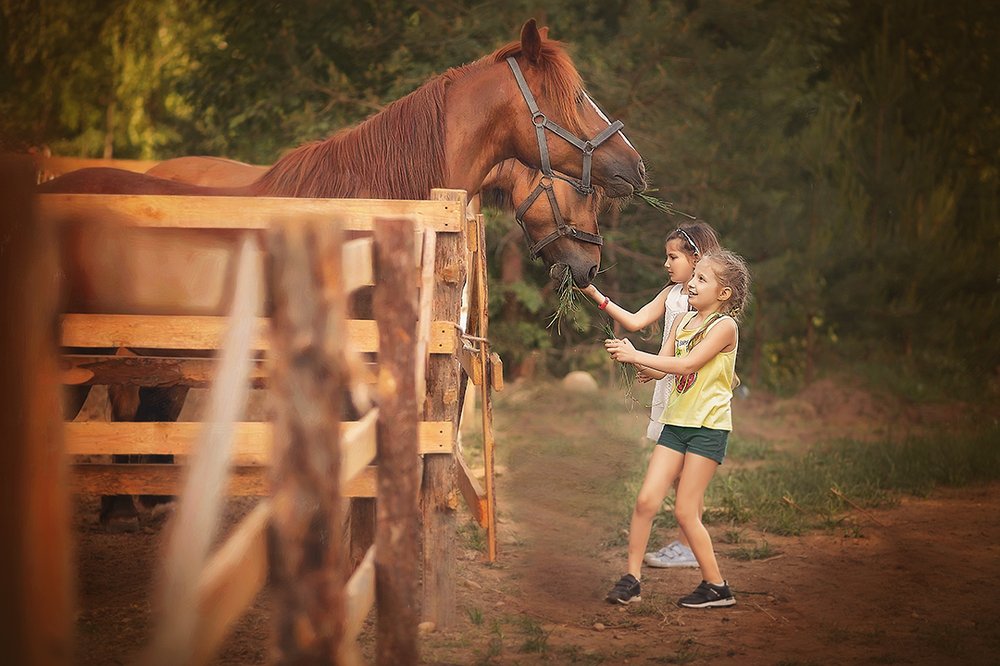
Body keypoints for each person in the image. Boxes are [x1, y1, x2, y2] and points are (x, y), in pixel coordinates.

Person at [602, 249, 751, 608]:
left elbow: (687, 365)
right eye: (693, 276)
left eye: (701, 278)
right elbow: (666, 367)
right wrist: (635, 355)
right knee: (645, 500)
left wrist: (638, 356)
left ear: (724, 293)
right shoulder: (684, 321)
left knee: (685, 510)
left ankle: (717, 586)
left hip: (707, 428)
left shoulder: (725, 327)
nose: (691, 283)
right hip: (676, 424)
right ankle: (633, 579)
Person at [582, 223, 721, 569]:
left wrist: (652, 364)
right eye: (666, 257)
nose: (667, 264)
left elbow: (691, 360)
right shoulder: (672, 294)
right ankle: (686, 542)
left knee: (688, 473)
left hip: (692, 390)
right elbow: (634, 321)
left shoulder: (706, 304)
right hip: (669, 388)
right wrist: (591, 291)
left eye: (673, 257)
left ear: (696, 257)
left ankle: (687, 543)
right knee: (675, 474)